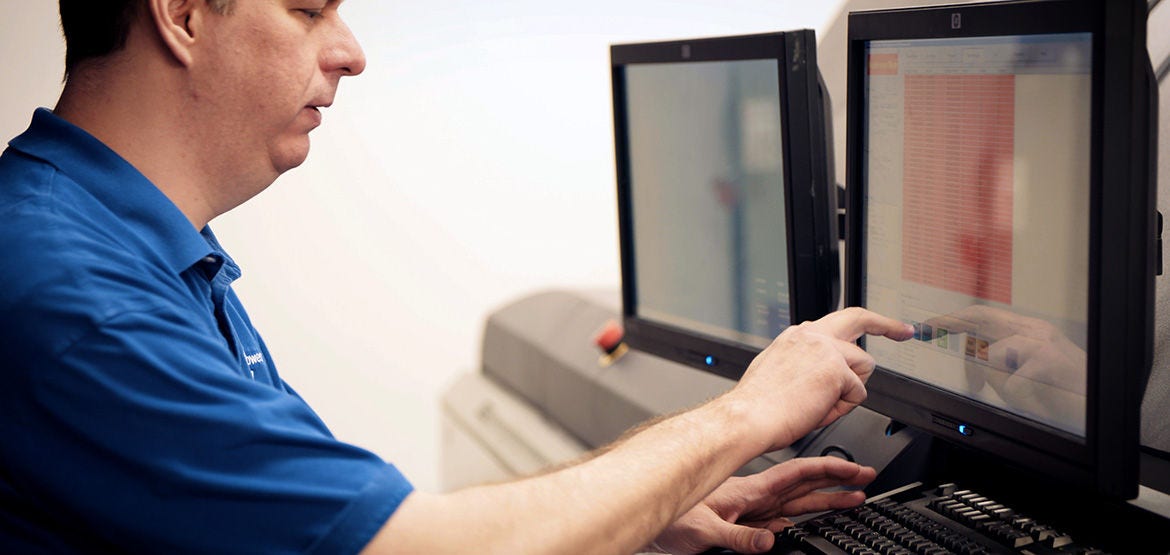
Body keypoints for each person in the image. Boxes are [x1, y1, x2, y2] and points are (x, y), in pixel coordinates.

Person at [0, 1, 915, 553]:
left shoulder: (137, 245)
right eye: (309, 9)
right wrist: (744, 416)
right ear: (184, 13)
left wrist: (644, 507)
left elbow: (325, 514)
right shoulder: (75, 295)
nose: (350, 50)